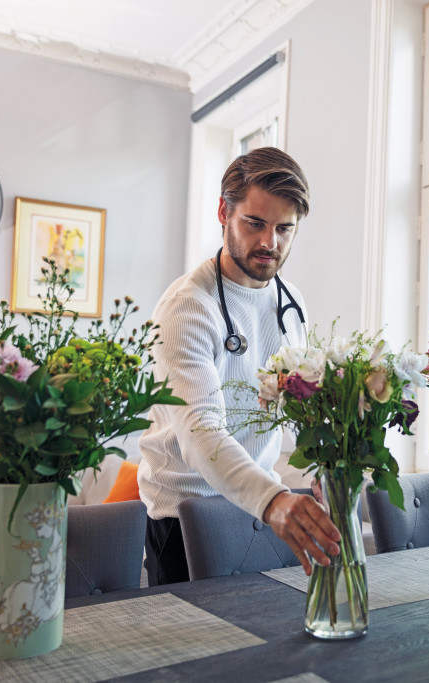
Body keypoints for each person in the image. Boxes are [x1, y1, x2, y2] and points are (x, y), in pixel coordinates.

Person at [138, 147, 340, 586]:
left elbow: (299, 409)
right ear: (223, 213)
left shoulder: (292, 304)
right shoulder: (187, 308)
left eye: (285, 228)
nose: (270, 242)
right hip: (186, 517)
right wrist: (275, 500)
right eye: (255, 223)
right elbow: (201, 433)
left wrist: (327, 467)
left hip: (259, 510)